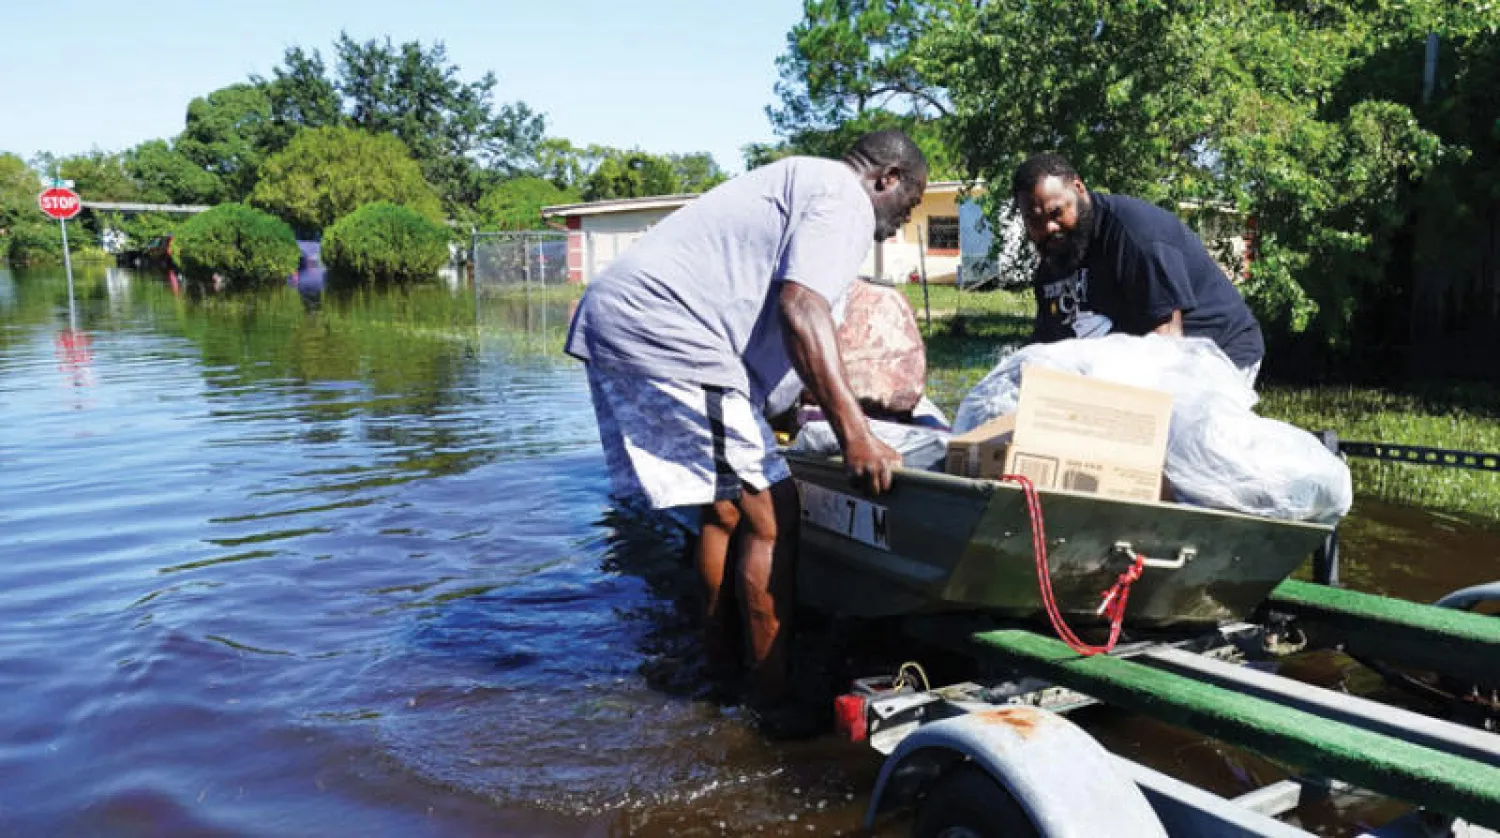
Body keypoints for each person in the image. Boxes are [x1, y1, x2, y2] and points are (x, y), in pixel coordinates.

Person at [565, 130, 929, 705]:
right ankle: (768, 697)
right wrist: (856, 436)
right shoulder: (844, 198)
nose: (902, 222)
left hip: (641, 322)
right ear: (886, 179)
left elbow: (783, 328)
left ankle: (720, 668)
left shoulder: (807, 183)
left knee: (729, 505)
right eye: (908, 204)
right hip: (666, 330)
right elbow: (801, 308)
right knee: (773, 510)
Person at [1012, 152, 1265, 383]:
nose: (1049, 228)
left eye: (1056, 213)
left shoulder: (1136, 237)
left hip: (1217, 355)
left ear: (1078, 188)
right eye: (1034, 220)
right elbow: (1048, 344)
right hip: (1143, 355)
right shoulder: (1056, 256)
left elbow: (1167, 347)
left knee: (1174, 428)